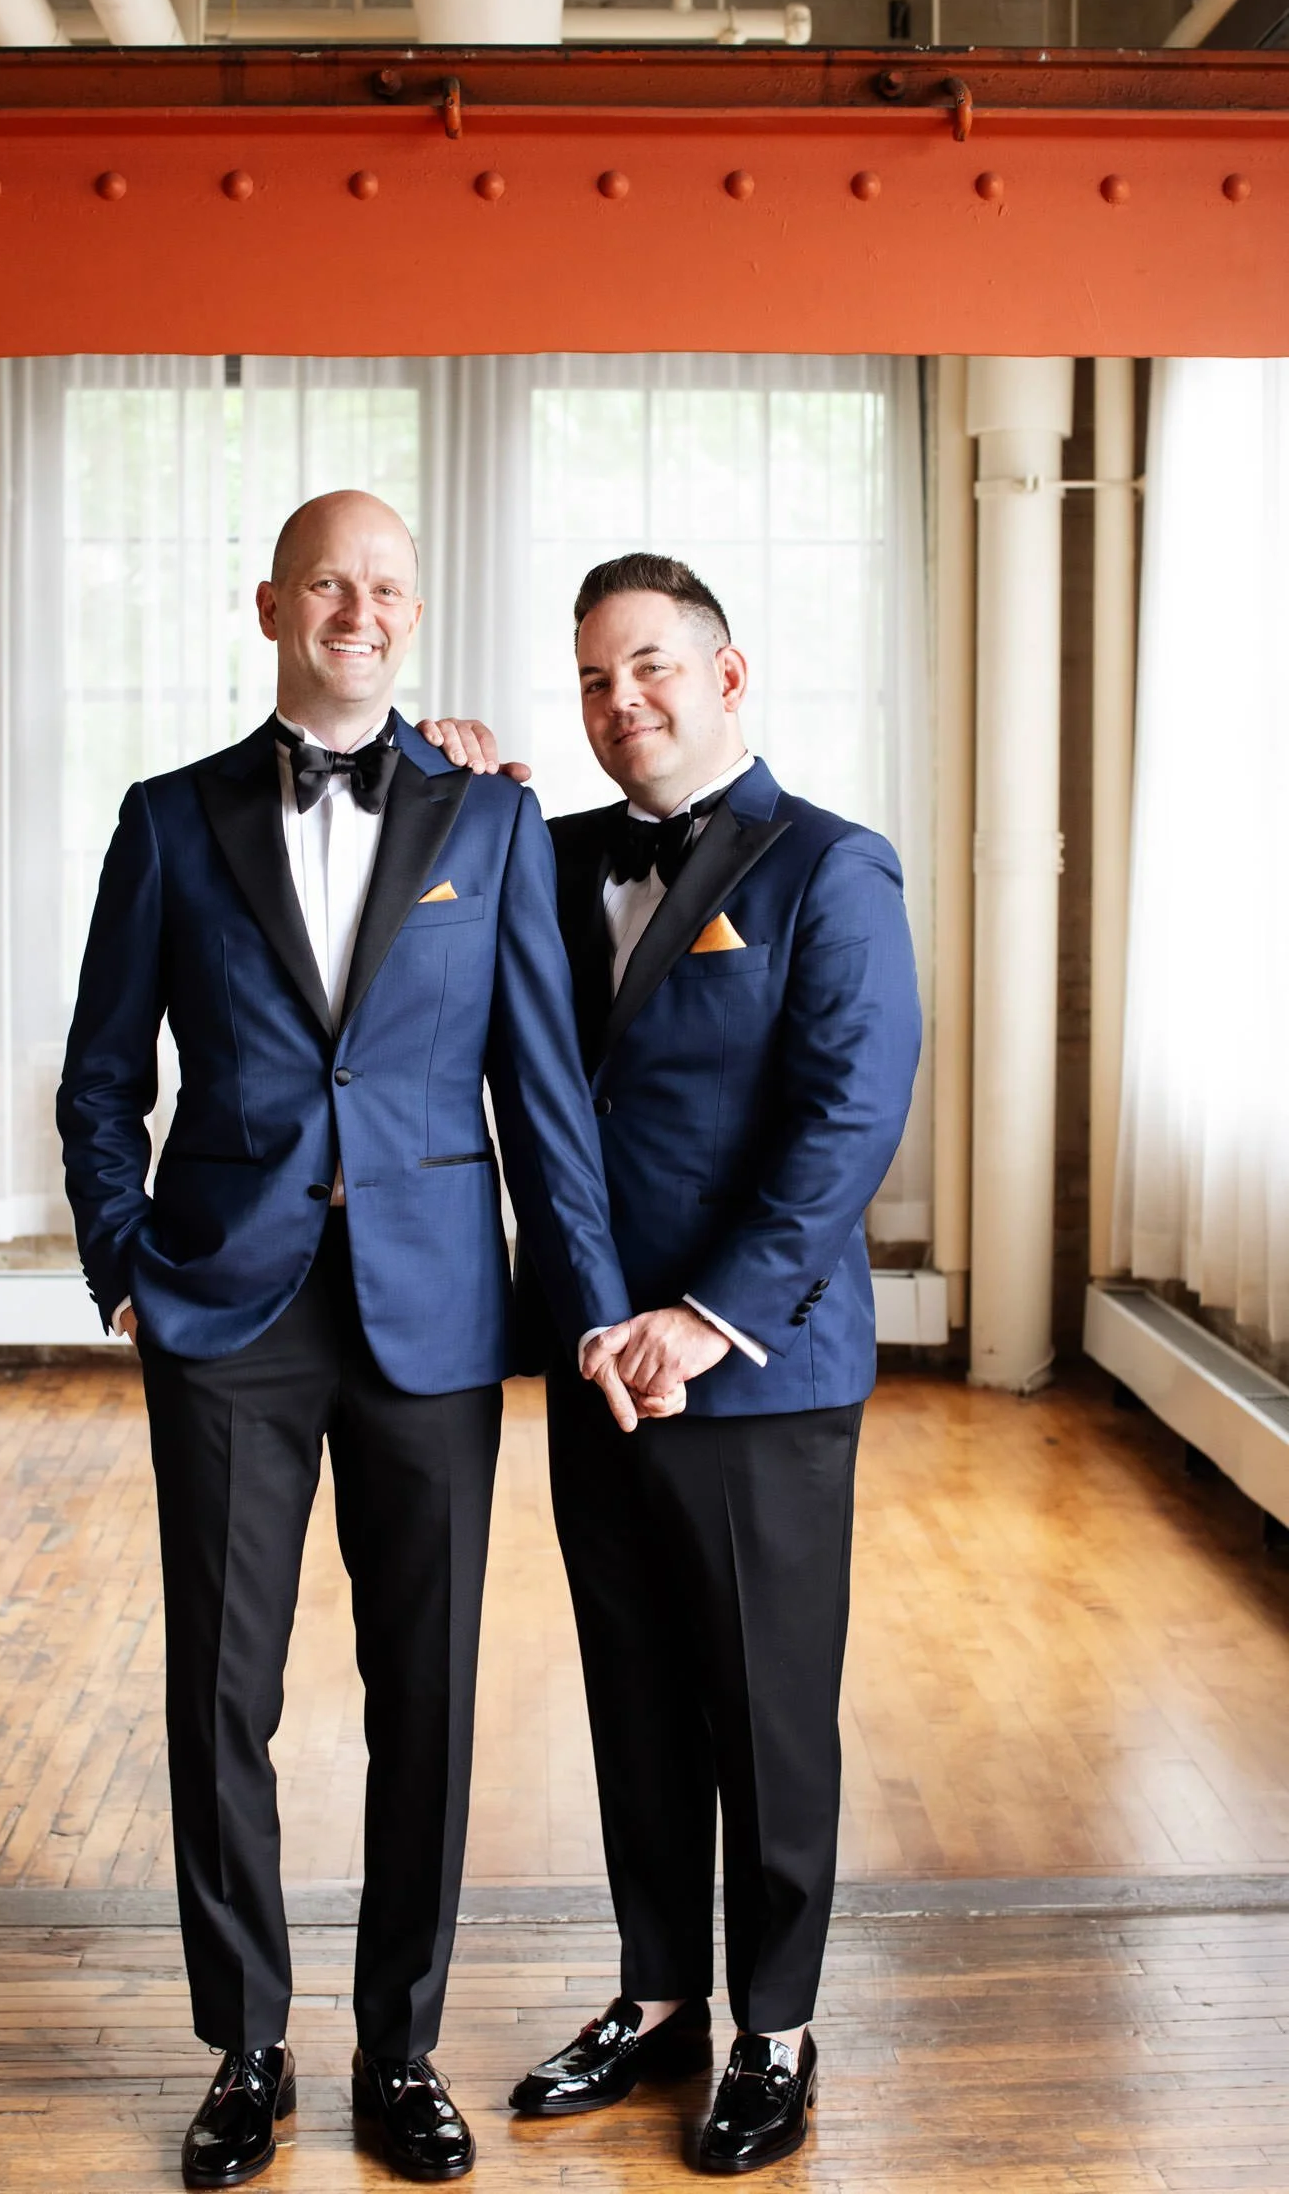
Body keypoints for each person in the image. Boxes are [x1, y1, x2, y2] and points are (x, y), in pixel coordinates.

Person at [56, 492, 644, 2189]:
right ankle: (247, 2045)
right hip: (224, 1307)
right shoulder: (168, 821)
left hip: (435, 1312)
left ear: (413, 610)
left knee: (429, 1690)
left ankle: (401, 2047)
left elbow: (545, 1097)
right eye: (332, 582)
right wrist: (119, 1253)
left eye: (387, 586)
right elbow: (104, 1077)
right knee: (220, 1691)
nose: (361, 609)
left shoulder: (495, 816)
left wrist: (588, 1304)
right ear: (273, 606)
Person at [421, 552, 921, 2175]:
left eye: (647, 668)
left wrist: (703, 1317)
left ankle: (777, 2027)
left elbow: (845, 1123)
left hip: (753, 1370)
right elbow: (426, 924)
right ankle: (658, 1998)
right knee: (634, 1699)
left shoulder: (831, 868)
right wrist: (444, 774)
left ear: (727, 673)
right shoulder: (546, 855)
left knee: (768, 1713)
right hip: (594, 1356)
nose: (617, 704)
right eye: (589, 681)